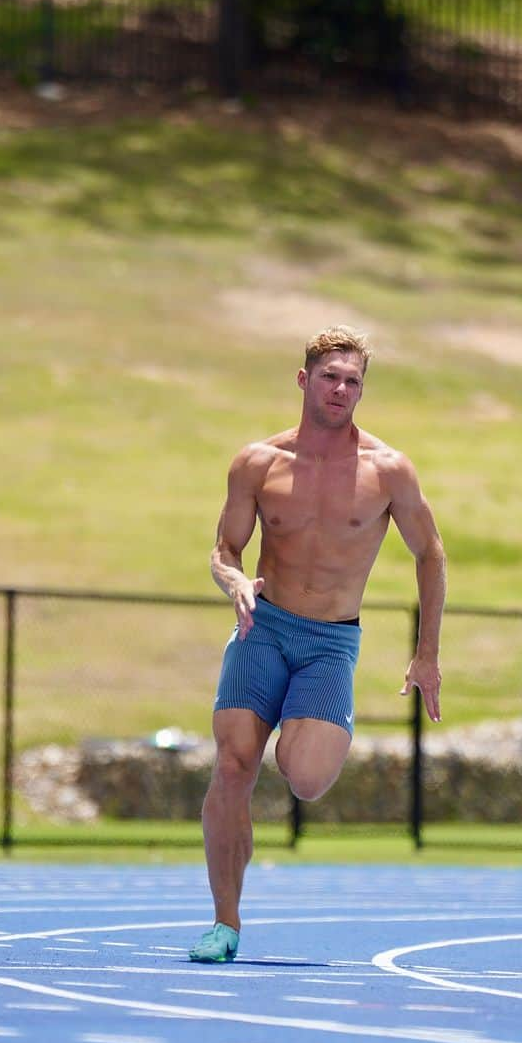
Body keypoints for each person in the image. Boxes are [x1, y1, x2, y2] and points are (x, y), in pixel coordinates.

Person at [189, 325, 446, 963]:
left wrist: (427, 655)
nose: (340, 389)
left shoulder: (387, 471)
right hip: (263, 628)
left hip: (332, 642)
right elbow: (226, 548)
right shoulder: (258, 463)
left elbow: (431, 555)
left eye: (353, 380)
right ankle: (225, 923)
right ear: (304, 380)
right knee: (232, 766)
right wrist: (231, 581)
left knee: (304, 777)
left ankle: (299, 724)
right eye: (330, 376)